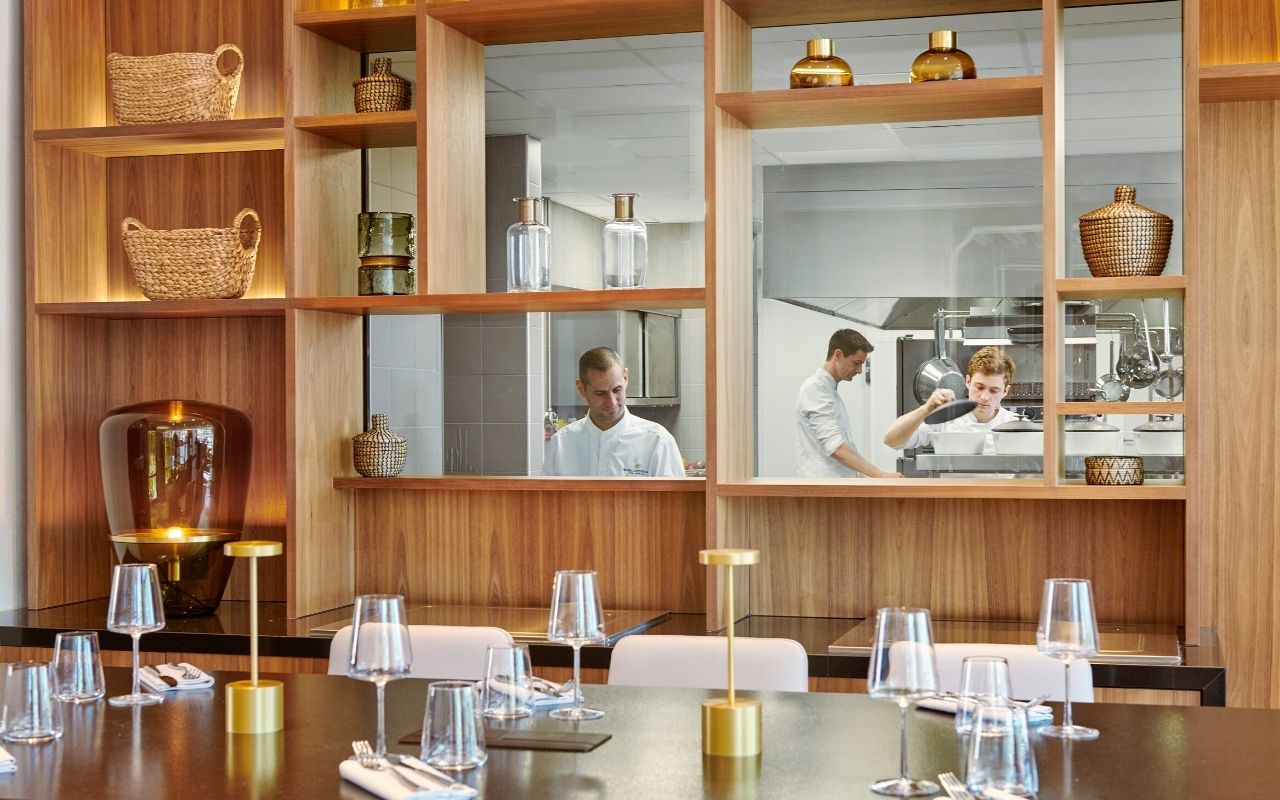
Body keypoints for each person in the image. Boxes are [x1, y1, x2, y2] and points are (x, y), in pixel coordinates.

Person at [543, 346, 685, 477]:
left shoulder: (657, 442)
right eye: (600, 393)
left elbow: (675, 503)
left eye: (617, 390)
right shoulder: (561, 444)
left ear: (625, 378)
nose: (611, 402)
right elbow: (547, 503)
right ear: (581, 388)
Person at [795, 329, 901, 478]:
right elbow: (836, 448)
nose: (859, 370)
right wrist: (879, 475)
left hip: (834, 487)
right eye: (856, 363)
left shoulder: (829, 391)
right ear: (837, 355)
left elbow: (842, 448)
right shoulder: (815, 389)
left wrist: (862, 476)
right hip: (822, 489)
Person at [883, 346, 1019, 454]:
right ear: (968, 381)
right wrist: (926, 409)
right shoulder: (946, 417)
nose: (984, 397)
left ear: (1005, 391)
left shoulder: (1016, 425)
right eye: (979, 387)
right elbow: (891, 440)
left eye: (994, 390)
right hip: (954, 490)